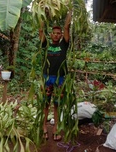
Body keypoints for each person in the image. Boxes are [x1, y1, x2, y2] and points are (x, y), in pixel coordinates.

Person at [39, 11, 72, 141]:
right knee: (45, 104)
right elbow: (41, 30)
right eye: (54, 32)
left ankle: (56, 129)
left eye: (59, 33)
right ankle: (44, 128)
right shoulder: (46, 44)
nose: (56, 35)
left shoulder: (64, 44)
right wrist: (43, 13)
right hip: (47, 78)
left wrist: (69, 12)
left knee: (57, 104)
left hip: (60, 79)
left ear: (61, 35)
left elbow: (66, 27)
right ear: (51, 34)